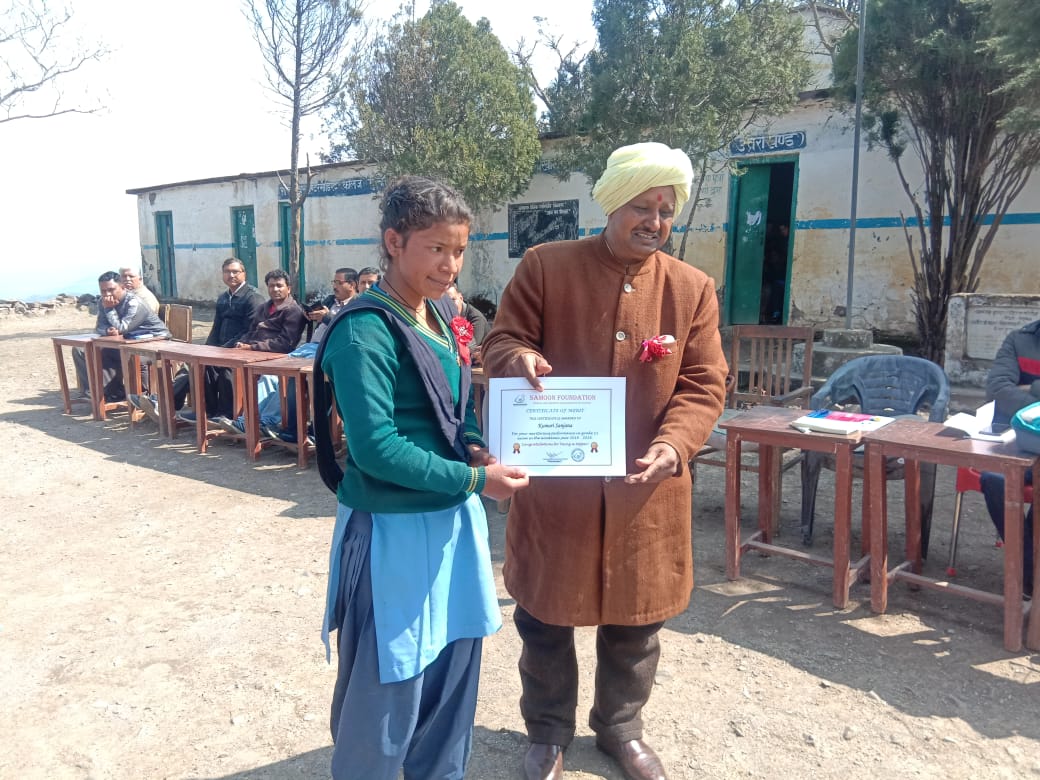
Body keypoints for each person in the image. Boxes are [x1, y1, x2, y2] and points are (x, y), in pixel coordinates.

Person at [481, 142, 728, 780]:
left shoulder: (692, 288)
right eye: (642, 206)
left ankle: (621, 729)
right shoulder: (545, 265)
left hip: (645, 489)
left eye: (665, 210)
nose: (654, 220)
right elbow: (502, 338)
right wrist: (520, 359)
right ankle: (548, 731)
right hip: (558, 485)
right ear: (613, 204)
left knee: (637, 622)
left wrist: (674, 447)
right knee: (543, 617)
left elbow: (704, 383)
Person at [317, 176, 528, 780]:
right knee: (393, 682)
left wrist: (478, 449)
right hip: (395, 531)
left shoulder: (437, 316)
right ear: (394, 241)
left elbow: (454, 411)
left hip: (451, 519)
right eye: (436, 248)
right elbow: (378, 448)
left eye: (459, 250)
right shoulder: (365, 331)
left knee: (454, 664)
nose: (450, 264)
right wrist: (474, 482)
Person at [133, 257, 265, 424]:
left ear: (244, 274)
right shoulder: (224, 297)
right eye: (227, 272)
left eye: (235, 272)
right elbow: (216, 327)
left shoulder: (253, 298)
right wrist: (208, 348)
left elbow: (250, 330)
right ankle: (192, 407)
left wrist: (224, 349)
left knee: (214, 366)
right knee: (195, 362)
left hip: (239, 349)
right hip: (220, 348)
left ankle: (171, 402)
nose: (231, 275)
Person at [980, 317, 1040, 596]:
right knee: (994, 478)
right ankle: (1029, 574)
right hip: (1020, 439)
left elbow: (1010, 391)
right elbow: (998, 388)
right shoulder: (1019, 339)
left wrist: (1031, 387)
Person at [73, 271, 170, 402]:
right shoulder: (103, 301)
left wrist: (109, 310)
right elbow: (99, 327)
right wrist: (108, 330)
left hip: (155, 340)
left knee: (117, 353)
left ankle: (140, 395)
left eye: (111, 290)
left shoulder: (134, 303)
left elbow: (122, 328)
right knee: (82, 350)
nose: (107, 294)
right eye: (103, 291)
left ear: (122, 287)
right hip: (128, 341)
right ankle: (103, 392)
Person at [307, 267, 357, 343]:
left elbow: (346, 328)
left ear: (352, 285)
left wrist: (327, 317)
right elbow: (319, 317)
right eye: (334, 282)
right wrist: (311, 314)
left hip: (333, 349)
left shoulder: (356, 305)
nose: (335, 287)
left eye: (339, 283)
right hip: (312, 346)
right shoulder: (330, 300)